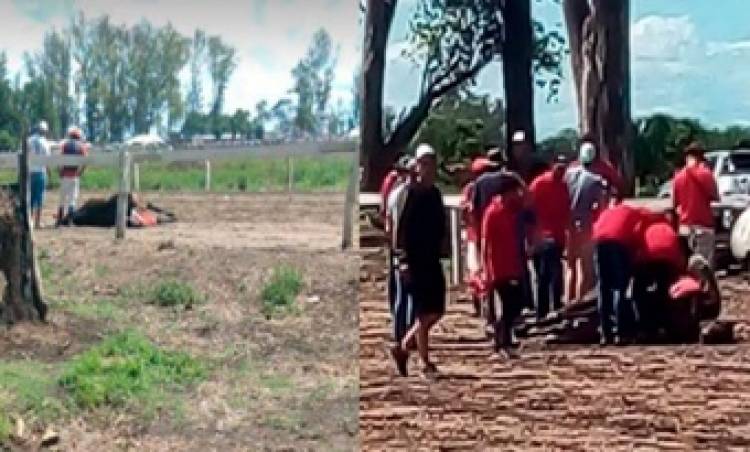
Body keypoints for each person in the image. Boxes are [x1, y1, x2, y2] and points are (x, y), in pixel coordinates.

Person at [391, 144, 446, 379]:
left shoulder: (435, 193)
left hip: (432, 259)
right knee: (424, 312)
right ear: (416, 166)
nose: (428, 168)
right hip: (414, 261)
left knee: (437, 310)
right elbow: (399, 231)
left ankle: (403, 346)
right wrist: (401, 261)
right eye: (424, 163)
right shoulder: (409, 194)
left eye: (432, 163)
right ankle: (425, 363)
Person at [481, 182, 527, 355]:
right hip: (498, 266)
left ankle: (504, 336)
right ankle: (501, 338)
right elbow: (485, 242)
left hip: (511, 263)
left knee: (516, 302)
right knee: (508, 303)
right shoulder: (493, 212)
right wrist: (486, 267)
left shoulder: (510, 211)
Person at [592, 202, 646, 345]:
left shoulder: (607, 212)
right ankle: (620, 332)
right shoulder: (634, 212)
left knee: (603, 287)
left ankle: (605, 333)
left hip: (599, 241)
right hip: (617, 241)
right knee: (619, 287)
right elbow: (638, 235)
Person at [529, 155, 571, 321]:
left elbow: (566, 210)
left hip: (556, 236)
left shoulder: (563, 186)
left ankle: (552, 309)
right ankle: (544, 310)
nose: (561, 170)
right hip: (542, 236)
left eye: (563, 167)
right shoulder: (539, 183)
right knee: (545, 275)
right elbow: (528, 206)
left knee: (551, 275)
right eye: (559, 166)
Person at [632, 212, 685, 341]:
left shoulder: (647, 228)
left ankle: (644, 325)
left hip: (648, 257)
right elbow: (679, 255)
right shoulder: (669, 229)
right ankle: (665, 325)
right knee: (664, 291)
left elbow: (637, 248)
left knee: (638, 291)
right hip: (668, 260)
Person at [565, 142, 608, 303]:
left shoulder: (568, 175)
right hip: (585, 225)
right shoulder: (596, 180)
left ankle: (567, 302)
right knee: (584, 267)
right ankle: (578, 304)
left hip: (568, 225)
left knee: (570, 266)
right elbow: (602, 207)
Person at [672, 141, 719, 267]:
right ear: (701, 157)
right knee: (704, 268)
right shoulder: (706, 174)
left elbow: (675, 203)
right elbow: (715, 196)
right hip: (703, 226)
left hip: (684, 227)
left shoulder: (678, 176)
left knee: (686, 266)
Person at [461, 157, 498, 316]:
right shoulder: (472, 189)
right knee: (477, 269)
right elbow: (466, 211)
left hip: (487, 234)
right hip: (475, 235)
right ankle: (479, 299)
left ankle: (486, 301)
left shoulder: (491, 189)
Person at [386, 157, 416, 344]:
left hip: (398, 247)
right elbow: (396, 225)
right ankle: (406, 335)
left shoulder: (395, 193)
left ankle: (401, 333)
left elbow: (389, 222)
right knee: (407, 293)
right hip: (404, 248)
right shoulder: (405, 195)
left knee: (402, 293)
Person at [57, 126, 88, 226]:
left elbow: (59, 158)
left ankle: (59, 220)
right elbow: (85, 161)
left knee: (62, 198)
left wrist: (60, 171)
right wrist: (81, 172)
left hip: (65, 174)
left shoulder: (64, 145)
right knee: (72, 199)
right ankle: (70, 221)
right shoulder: (81, 146)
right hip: (74, 174)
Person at [27, 121, 50, 229]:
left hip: (30, 172)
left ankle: (29, 220)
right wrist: (49, 172)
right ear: (44, 131)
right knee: (39, 198)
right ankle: (37, 222)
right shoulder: (45, 142)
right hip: (41, 172)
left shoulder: (29, 140)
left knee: (30, 197)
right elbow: (47, 159)